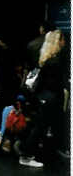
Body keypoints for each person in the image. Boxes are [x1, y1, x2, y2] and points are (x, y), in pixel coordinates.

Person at [19, 30, 69, 167]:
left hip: (44, 96)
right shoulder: (56, 61)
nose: (65, 42)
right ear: (57, 42)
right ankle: (26, 154)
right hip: (51, 97)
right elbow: (56, 83)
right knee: (41, 127)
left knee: (42, 126)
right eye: (63, 39)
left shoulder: (46, 58)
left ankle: (28, 152)